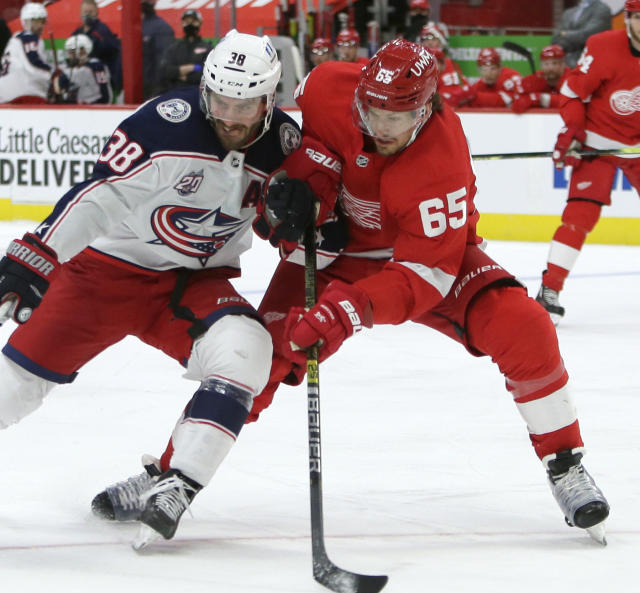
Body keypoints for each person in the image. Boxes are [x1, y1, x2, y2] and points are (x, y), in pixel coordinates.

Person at [97, 38, 611, 545]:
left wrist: (351, 308)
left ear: (427, 109)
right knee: (260, 356)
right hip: (332, 253)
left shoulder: (441, 160)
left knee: (523, 325)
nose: (379, 126)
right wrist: (288, 206)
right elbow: (308, 157)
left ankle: (564, 462)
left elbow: (423, 278)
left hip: (422, 261)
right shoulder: (325, 88)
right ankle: (171, 472)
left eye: (397, 118)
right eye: (371, 111)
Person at [0, 31, 301, 550]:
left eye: (245, 105)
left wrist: (296, 219)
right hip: (106, 274)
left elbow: (278, 219)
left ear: (269, 100)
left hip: (194, 285)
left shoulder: (285, 144)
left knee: (247, 352)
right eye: (221, 101)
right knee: (12, 387)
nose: (230, 116)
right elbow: (100, 198)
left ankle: (176, 484)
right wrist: (37, 256)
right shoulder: (164, 125)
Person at [540, 3, 640, 323]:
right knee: (579, 217)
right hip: (597, 143)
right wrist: (572, 130)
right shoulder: (603, 46)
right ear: (627, 19)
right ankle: (549, 289)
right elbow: (571, 91)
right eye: (637, 17)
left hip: (637, 146)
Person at [0, 3, 52, 104]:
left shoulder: (13, 40)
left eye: (43, 22)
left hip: (6, 96)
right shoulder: (30, 38)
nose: (41, 25)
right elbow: (34, 63)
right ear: (27, 22)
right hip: (26, 94)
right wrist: (53, 75)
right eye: (37, 21)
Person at [72, 0, 121, 94]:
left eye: (91, 12)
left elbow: (110, 52)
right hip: (82, 79)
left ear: (97, 12)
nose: (88, 15)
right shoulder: (77, 33)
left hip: (100, 75)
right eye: (85, 12)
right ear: (81, 13)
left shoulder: (103, 31)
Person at [157, 9, 212, 95]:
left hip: (198, 94)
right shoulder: (174, 48)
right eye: (186, 21)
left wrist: (185, 77)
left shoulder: (207, 48)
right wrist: (193, 67)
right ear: (182, 23)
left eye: (193, 21)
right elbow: (165, 71)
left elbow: (208, 73)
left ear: (200, 23)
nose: (190, 24)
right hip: (175, 93)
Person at [48, 33, 111, 104]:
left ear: (82, 51)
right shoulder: (94, 66)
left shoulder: (93, 67)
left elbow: (103, 89)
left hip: (94, 107)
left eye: (71, 52)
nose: (69, 56)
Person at [418, 24, 469, 108]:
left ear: (441, 41)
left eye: (433, 38)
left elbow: (465, 93)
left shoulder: (451, 64)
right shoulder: (416, 66)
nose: (429, 42)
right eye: (425, 39)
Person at [511, 45, 571, 113]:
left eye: (555, 63)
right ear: (541, 65)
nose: (550, 68)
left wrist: (540, 98)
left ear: (563, 64)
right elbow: (517, 105)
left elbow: (569, 102)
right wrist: (525, 92)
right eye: (546, 64)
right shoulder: (537, 78)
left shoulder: (570, 79)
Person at [552, 0, 612, 68]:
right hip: (565, 64)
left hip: (590, 62)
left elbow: (587, 35)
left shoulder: (602, 9)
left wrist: (564, 34)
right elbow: (556, 36)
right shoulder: (569, 12)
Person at [141, 0, 174, 99]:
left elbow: (163, 62)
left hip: (151, 91)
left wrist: (157, 90)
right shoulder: (131, 26)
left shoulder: (161, 28)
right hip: (134, 88)